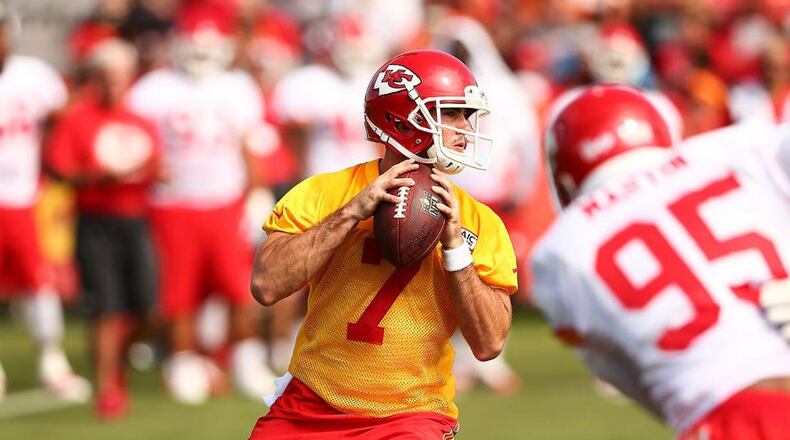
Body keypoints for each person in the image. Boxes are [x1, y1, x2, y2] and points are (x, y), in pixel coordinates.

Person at [247, 49, 517, 439]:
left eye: (467, 114)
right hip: (310, 402)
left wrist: (455, 247)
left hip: (412, 414)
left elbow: (489, 343)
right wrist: (350, 215)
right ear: (401, 118)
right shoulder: (327, 192)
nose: (465, 127)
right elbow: (266, 286)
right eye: (452, 113)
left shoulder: (478, 221)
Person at [531, 84, 790, 439]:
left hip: (726, 419)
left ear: (564, 178)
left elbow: (640, 385)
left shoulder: (559, 253)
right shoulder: (741, 146)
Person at [126, 2, 275, 404]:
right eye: (194, 48)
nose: (200, 58)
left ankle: (246, 358)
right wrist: (148, 167)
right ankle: (183, 359)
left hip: (224, 200)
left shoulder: (237, 88)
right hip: (172, 203)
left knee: (238, 284)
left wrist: (257, 192)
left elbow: (249, 146)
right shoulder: (152, 89)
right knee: (179, 290)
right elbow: (130, 143)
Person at [44, 38, 161, 420]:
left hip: (137, 219)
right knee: (106, 307)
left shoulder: (140, 120)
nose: (115, 84)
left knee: (147, 307)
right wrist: (97, 177)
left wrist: (155, 173)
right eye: (108, 77)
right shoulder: (78, 121)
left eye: (121, 76)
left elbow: (157, 164)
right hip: (97, 222)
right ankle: (108, 385)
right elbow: (58, 170)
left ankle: (120, 366)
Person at [0, 5, 90, 403]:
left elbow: (61, 116)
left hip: (21, 198)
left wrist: (49, 165)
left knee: (39, 282)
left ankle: (52, 361)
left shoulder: (32, 76)